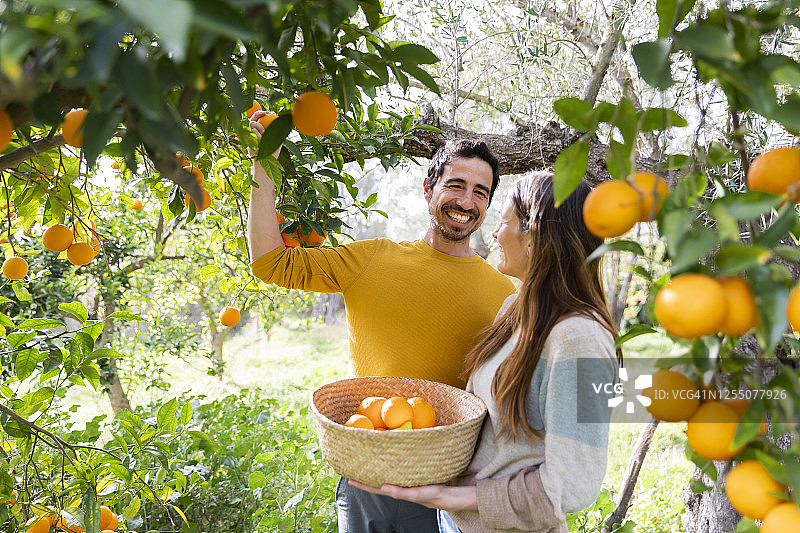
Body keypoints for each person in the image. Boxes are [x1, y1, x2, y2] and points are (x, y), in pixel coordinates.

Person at [247, 112, 516, 533]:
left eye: (480, 192)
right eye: (456, 185)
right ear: (428, 188)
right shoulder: (371, 259)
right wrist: (263, 164)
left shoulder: (504, 294)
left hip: (444, 485)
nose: (466, 202)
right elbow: (270, 261)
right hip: (364, 473)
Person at [350, 173, 620, 533]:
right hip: (456, 523)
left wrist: (459, 498)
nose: (493, 234)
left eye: (503, 223)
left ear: (533, 237)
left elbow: (574, 484)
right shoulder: (514, 307)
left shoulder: (580, 337)